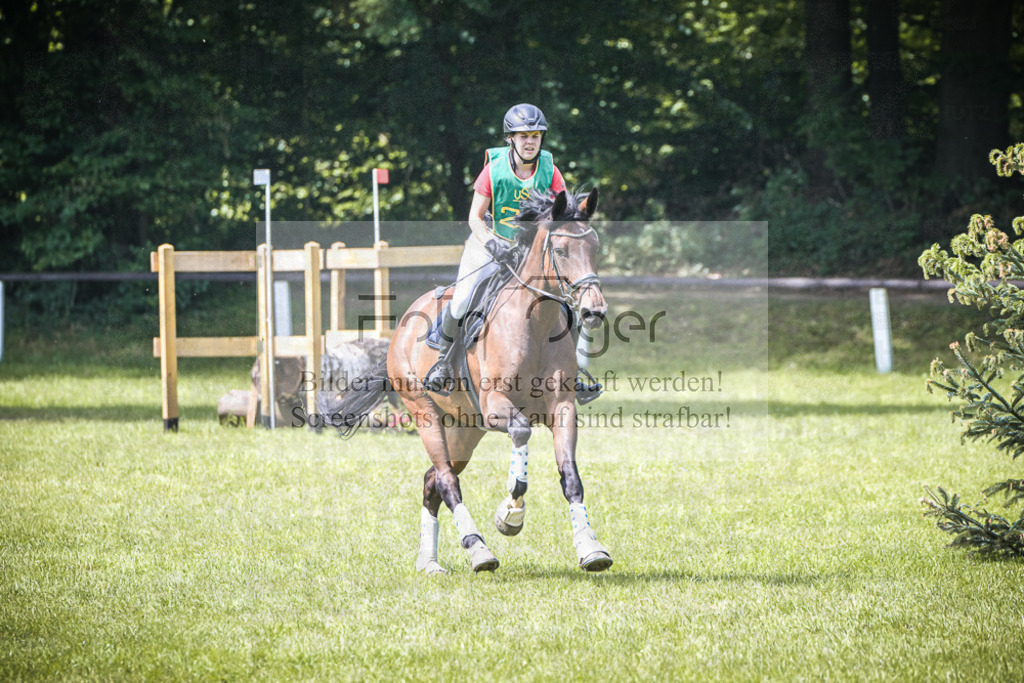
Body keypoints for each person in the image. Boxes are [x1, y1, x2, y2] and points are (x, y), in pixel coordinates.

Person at [422, 103, 567, 395]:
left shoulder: (550, 170)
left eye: (536, 136)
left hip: (530, 251)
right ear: (510, 139)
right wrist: (492, 243)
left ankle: (573, 370)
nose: (530, 142)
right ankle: (442, 363)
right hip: (489, 242)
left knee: (564, 300)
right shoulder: (493, 170)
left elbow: (563, 214)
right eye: (523, 136)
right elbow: (474, 217)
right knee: (463, 298)